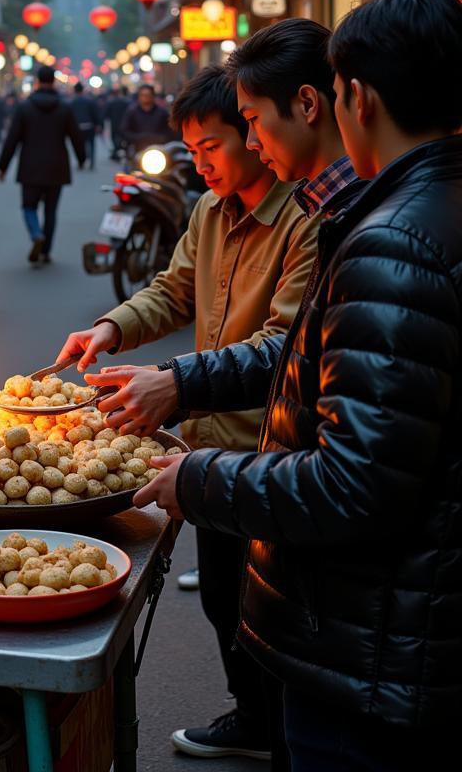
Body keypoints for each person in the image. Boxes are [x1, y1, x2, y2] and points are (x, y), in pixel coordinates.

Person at [128, 0, 462, 769]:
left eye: (247, 123)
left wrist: (199, 477)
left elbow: (357, 483)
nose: (245, 142)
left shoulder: (393, 239)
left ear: (347, 98)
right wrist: (182, 379)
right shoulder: (415, 209)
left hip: (378, 652)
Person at [57, 65, 318, 765]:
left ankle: (272, 724)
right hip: (208, 449)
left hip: (272, 452)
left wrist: (173, 381)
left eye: (213, 146)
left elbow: (279, 347)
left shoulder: (305, 222)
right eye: (191, 151)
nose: (199, 163)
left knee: (267, 612)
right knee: (223, 601)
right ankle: (254, 719)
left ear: (255, 135)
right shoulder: (208, 211)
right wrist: (110, 328)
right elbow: (173, 291)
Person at [0, 64, 85, 265]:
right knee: (51, 211)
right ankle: (45, 251)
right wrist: (82, 159)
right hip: (57, 166)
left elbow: (12, 139)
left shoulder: (24, 108)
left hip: (30, 166)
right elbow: (76, 136)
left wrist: (3, 167)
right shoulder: (64, 107)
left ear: (37, 81)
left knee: (29, 206)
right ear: (53, 80)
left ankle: (36, 233)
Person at [120, 83, 172, 154]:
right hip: (137, 150)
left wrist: (159, 138)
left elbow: (170, 130)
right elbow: (124, 131)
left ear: (153, 96)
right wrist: (139, 138)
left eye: (148, 95)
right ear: (139, 96)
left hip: (159, 150)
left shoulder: (162, 113)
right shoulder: (132, 112)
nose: (145, 97)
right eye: (143, 95)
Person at [69, 81, 102, 168]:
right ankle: (91, 162)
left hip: (77, 127)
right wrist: (98, 124)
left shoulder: (72, 102)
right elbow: (95, 113)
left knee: (79, 146)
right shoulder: (90, 101)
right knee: (91, 144)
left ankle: (81, 162)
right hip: (89, 126)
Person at [105, 86, 131, 160]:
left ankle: (117, 152)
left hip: (114, 124)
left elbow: (106, 114)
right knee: (122, 138)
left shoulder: (111, 102)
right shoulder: (126, 102)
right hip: (124, 124)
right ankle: (119, 151)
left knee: (115, 138)